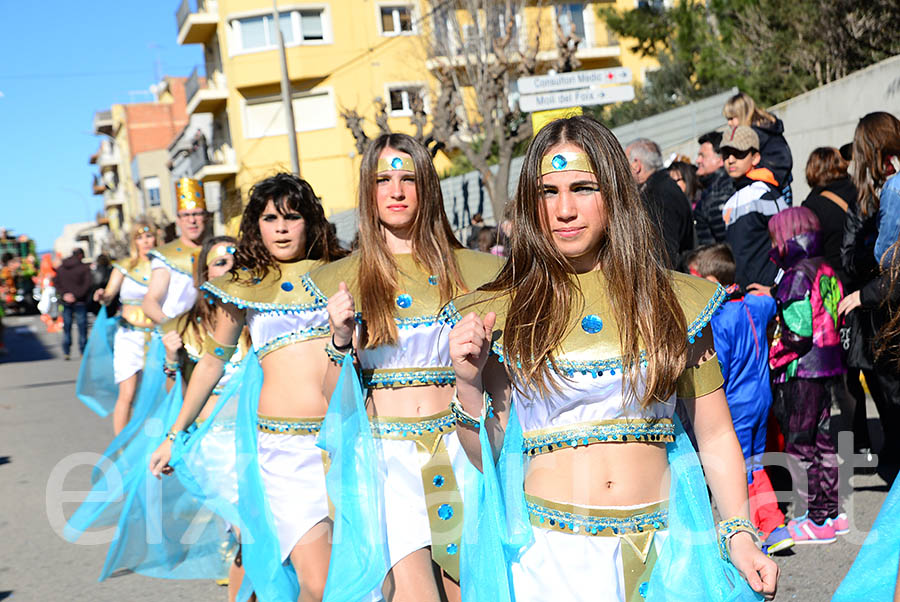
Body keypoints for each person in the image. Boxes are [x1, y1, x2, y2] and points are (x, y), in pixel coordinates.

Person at [447, 115, 777, 601]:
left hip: (669, 555)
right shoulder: (504, 310)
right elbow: (488, 454)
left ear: (616, 192)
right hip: (551, 561)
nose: (563, 209)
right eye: (547, 192)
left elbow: (714, 431)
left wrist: (738, 533)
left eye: (582, 188)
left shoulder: (676, 301)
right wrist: (467, 383)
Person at [310, 133, 504, 601]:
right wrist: (340, 339)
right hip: (388, 462)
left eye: (407, 179)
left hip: (462, 451)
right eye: (383, 180)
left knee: (472, 592)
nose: (395, 192)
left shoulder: (475, 272)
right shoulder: (344, 277)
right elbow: (332, 395)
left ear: (427, 188)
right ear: (368, 191)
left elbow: (500, 379)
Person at [149, 173, 346, 601]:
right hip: (285, 457)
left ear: (309, 222)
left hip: (349, 445)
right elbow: (209, 365)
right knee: (318, 583)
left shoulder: (343, 275)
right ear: (255, 225)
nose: (280, 227)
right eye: (270, 217)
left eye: (292, 217)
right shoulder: (243, 286)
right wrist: (174, 434)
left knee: (358, 578)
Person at [686, 244, 791, 555]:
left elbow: (719, 369)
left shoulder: (719, 320)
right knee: (755, 463)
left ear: (712, 281)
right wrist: (766, 292)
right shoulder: (754, 306)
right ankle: (773, 524)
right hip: (762, 397)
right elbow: (772, 302)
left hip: (737, 403)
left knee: (738, 467)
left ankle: (764, 528)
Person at [767, 207, 846, 543]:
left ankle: (815, 519)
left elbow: (797, 334)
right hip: (829, 365)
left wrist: (773, 356)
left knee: (802, 444)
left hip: (802, 371)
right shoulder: (826, 268)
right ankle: (832, 514)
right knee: (825, 441)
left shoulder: (795, 276)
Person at [838, 111, 900, 485]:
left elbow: (887, 258)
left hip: (888, 310)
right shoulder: (878, 194)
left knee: (894, 398)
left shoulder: (892, 189)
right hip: (884, 310)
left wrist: (867, 291)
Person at [91, 219, 157, 433]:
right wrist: (103, 296)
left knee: (158, 392)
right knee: (127, 392)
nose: (145, 241)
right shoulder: (125, 266)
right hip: (130, 335)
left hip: (158, 336)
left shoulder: (165, 265)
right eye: (140, 237)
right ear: (134, 242)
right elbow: (110, 294)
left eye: (149, 235)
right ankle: (122, 447)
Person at [720, 125, 789, 289]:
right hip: (740, 295)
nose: (731, 159)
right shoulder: (730, 201)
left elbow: (789, 244)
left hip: (766, 298)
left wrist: (775, 289)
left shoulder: (766, 193)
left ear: (756, 157)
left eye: (739, 153)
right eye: (726, 154)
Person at [142, 177, 210, 325]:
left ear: (206, 217)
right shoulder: (166, 256)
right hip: (178, 337)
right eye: (186, 215)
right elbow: (150, 301)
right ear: (178, 220)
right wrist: (171, 326)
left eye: (197, 214)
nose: (192, 221)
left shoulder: (216, 251)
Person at [625, 138, 693, 268]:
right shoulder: (662, 186)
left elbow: (664, 251)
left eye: (625, 164)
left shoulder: (658, 194)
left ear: (636, 165)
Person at [723, 91, 793, 203]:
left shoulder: (757, 134)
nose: (729, 123)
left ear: (743, 114)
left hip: (772, 187)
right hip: (779, 184)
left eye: (732, 118)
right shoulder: (766, 128)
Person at [694, 131, 735, 246]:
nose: (698, 161)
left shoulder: (721, 192)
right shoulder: (709, 190)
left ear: (720, 160)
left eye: (703, 156)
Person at [55, 247, 92, 360]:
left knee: (67, 327)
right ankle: (83, 351)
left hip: (66, 301)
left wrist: (65, 295)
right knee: (82, 327)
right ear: (81, 255)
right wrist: (76, 295)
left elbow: (56, 283)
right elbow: (88, 284)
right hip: (80, 301)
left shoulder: (61, 268)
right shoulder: (84, 268)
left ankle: (67, 351)